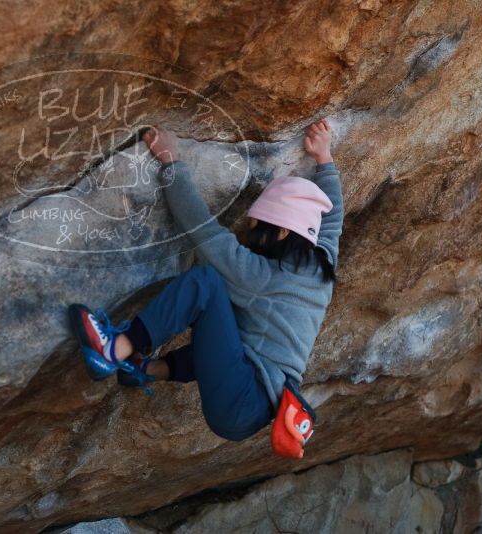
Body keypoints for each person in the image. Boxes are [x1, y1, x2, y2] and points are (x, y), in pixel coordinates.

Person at [69, 120, 344, 446]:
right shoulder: (320, 263)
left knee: (206, 283)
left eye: (258, 227)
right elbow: (333, 217)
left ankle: (116, 349)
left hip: (242, 397)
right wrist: (323, 157)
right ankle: (149, 369)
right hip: (252, 404)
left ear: (282, 231)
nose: (250, 233)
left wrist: (172, 163)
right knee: (225, 321)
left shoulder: (260, 275)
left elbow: (202, 230)